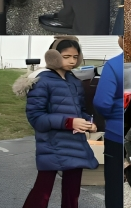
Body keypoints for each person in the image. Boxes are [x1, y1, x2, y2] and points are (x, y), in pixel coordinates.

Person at [22, 40, 101, 205]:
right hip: (52, 145)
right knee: (42, 193)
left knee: (72, 195)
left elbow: (79, 111)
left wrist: (88, 122)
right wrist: (69, 123)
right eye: (66, 57)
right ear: (54, 56)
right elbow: (36, 118)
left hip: (75, 144)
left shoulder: (74, 81)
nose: (72, 61)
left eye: (75, 57)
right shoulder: (42, 81)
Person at [92, 44, 122, 207]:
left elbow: (101, 102)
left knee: (115, 188)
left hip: (116, 134)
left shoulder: (114, 65)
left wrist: (112, 118)